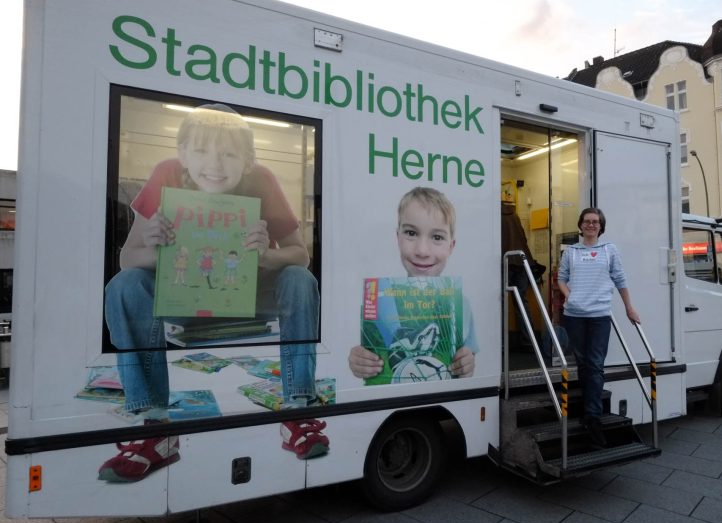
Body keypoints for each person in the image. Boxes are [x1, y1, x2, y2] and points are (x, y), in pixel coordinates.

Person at [99, 104, 320, 482]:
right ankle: (152, 424)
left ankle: (297, 408)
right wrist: (153, 244)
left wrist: (267, 254)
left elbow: (301, 253)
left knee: (300, 278)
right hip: (184, 295)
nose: (214, 163)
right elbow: (127, 258)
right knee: (124, 285)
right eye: (201, 150)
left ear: (248, 160)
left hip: (249, 297)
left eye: (229, 153)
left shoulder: (262, 179)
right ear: (182, 153)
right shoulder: (166, 173)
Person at [348, 187, 478, 380]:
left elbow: (468, 358)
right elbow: (364, 353)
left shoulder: (461, 304)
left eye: (437, 237)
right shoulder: (377, 301)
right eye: (411, 232)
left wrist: (467, 363)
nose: (422, 251)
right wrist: (357, 361)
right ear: (397, 238)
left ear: (451, 246)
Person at [557, 207, 639, 447]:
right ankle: (588, 411)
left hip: (600, 316)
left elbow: (620, 280)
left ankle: (592, 418)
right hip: (574, 316)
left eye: (595, 222)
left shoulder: (609, 250)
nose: (591, 225)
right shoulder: (571, 252)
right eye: (587, 221)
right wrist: (569, 296)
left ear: (601, 227)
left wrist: (629, 308)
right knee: (584, 364)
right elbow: (561, 278)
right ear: (580, 226)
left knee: (595, 364)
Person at [501, 200, 545, 347]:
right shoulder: (515, 215)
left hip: (504, 261)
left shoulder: (494, 215)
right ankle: (529, 341)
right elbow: (523, 238)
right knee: (522, 302)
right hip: (521, 261)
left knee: (498, 302)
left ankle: (499, 344)